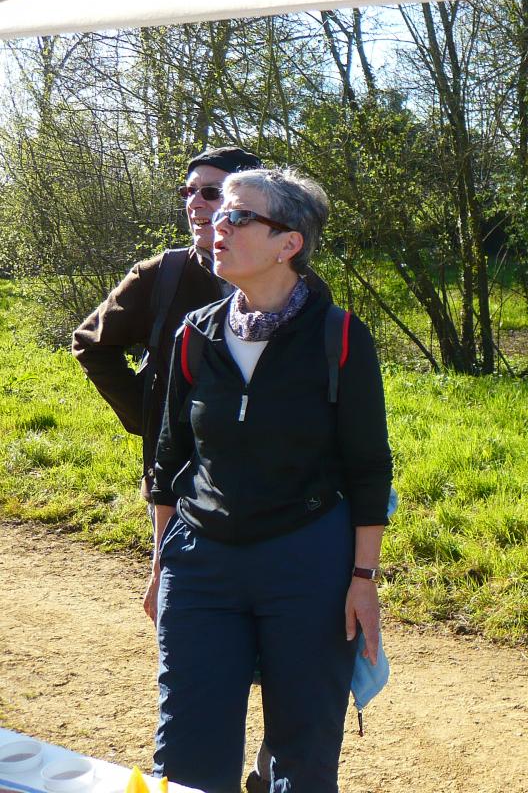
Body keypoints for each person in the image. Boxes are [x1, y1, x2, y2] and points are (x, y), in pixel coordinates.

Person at [148, 168, 393, 793]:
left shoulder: (340, 337)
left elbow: (369, 469)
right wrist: (161, 565)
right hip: (201, 563)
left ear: (289, 244)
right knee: (186, 755)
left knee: (304, 756)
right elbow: (169, 460)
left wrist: (363, 579)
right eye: (216, 213)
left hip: (306, 560)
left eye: (236, 216)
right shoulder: (193, 334)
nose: (214, 225)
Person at [71, 145, 283, 792]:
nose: (198, 204)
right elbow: (91, 342)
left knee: (279, 629)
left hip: (271, 492)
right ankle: (197, 766)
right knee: (195, 633)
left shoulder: (281, 276)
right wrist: (147, 414)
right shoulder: (160, 276)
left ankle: (272, 764)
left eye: (213, 193)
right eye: (190, 191)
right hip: (179, 488)